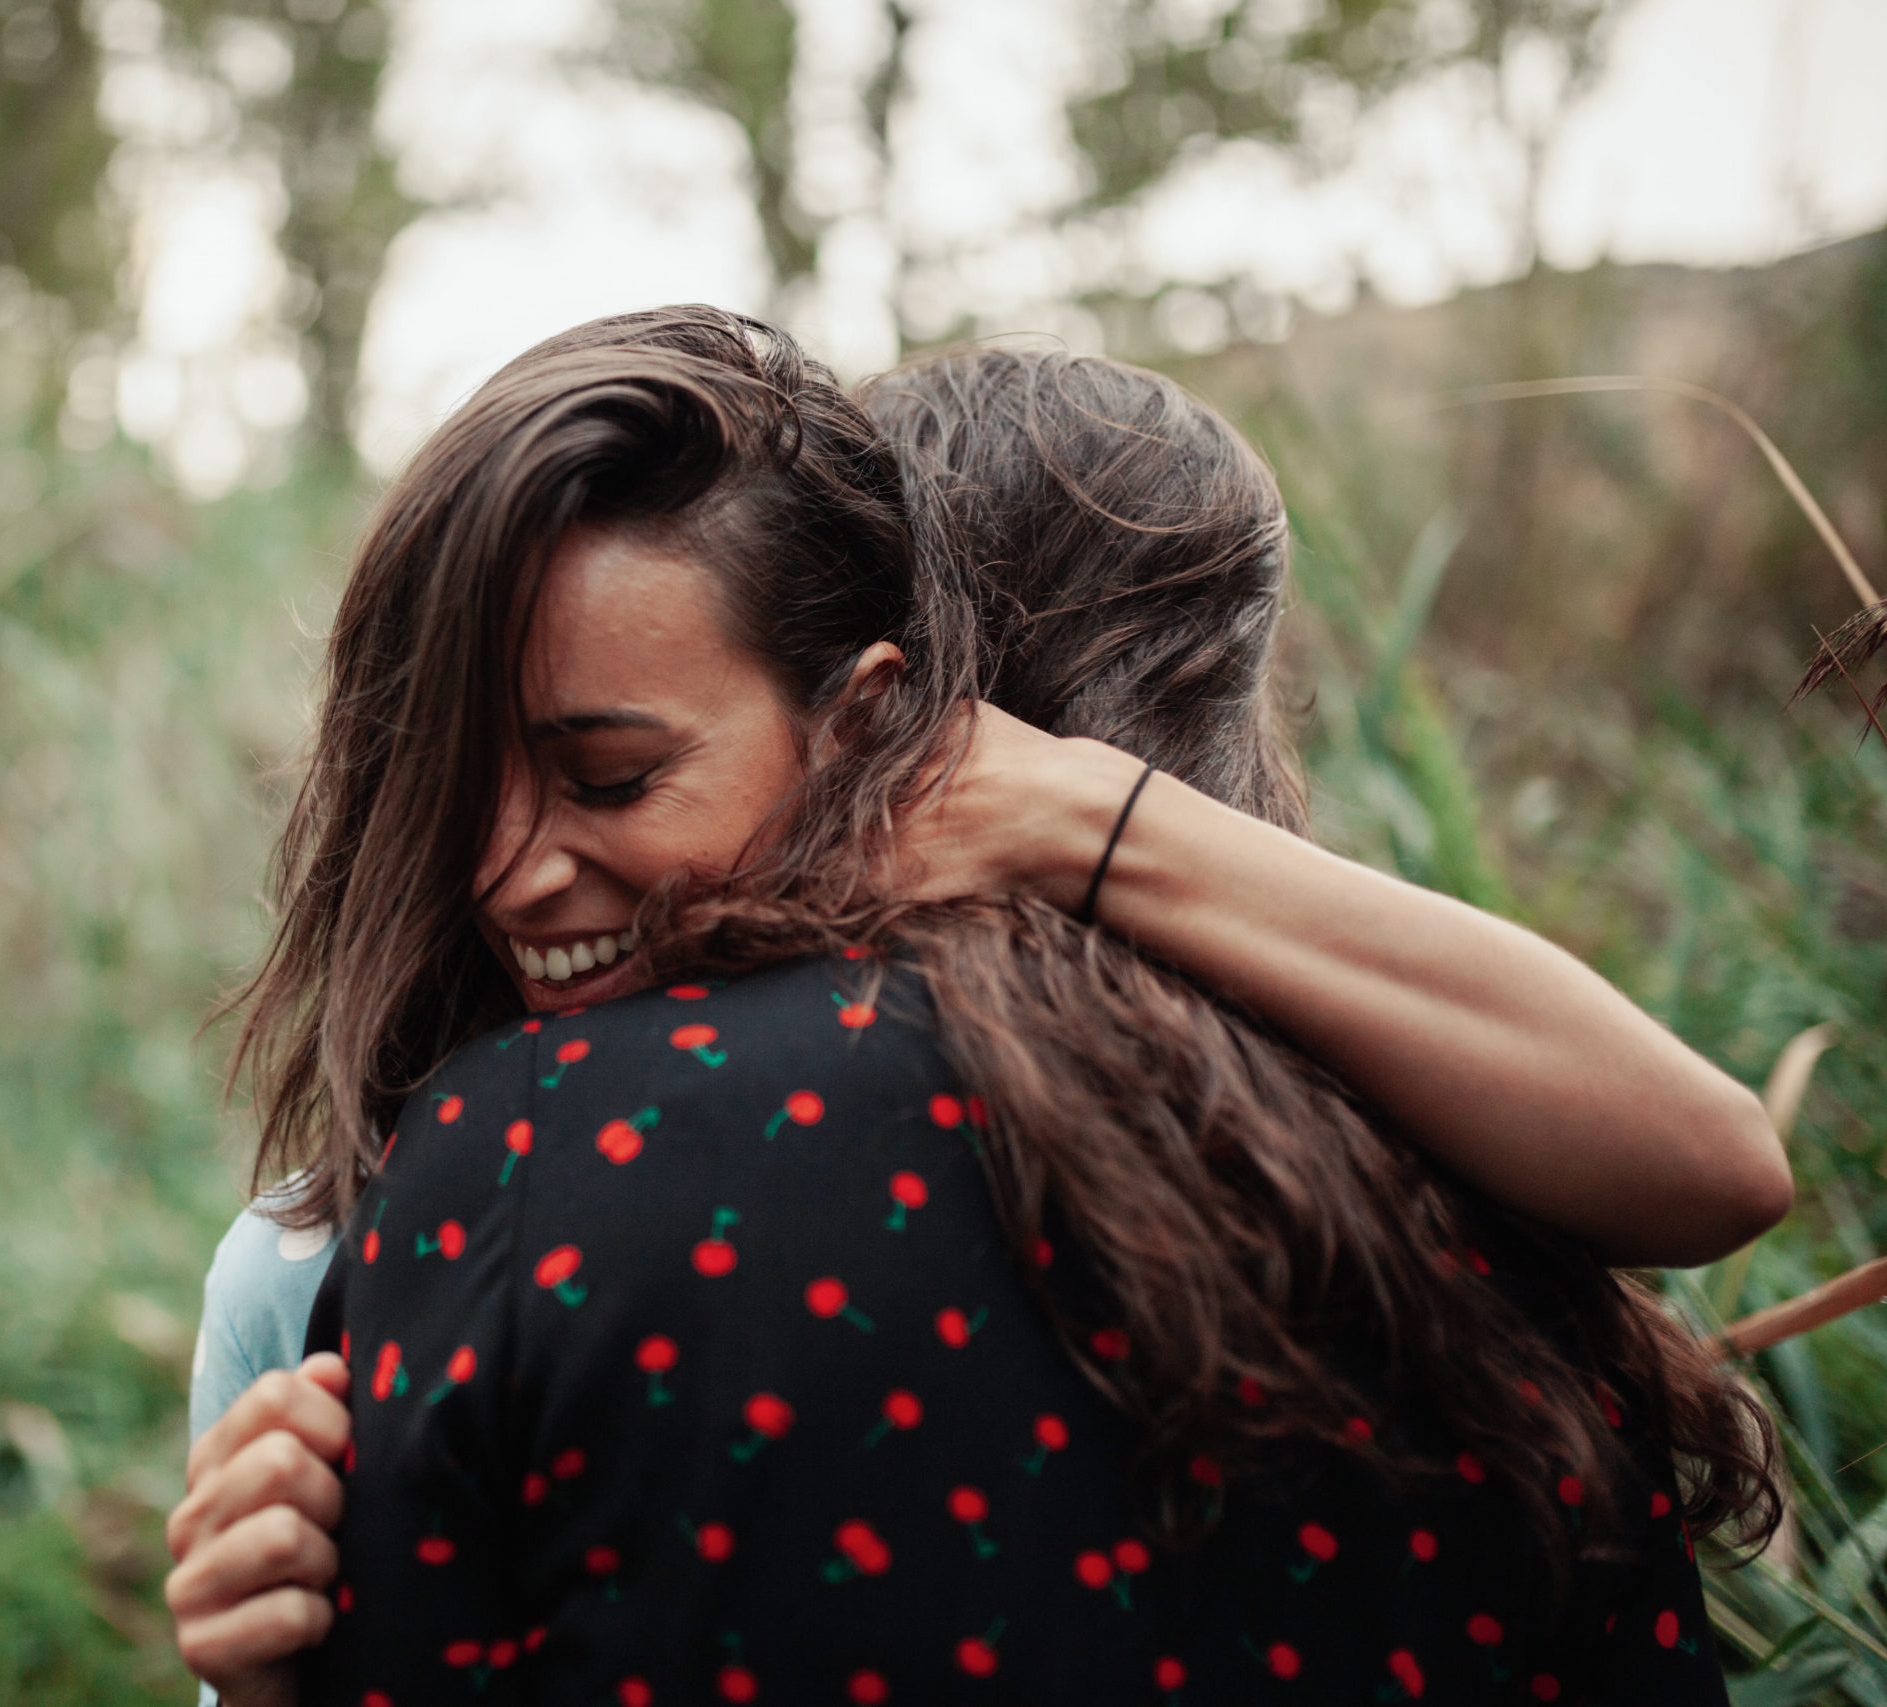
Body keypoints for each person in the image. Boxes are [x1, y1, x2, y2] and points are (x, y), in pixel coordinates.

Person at [164, 313, 1785, 1699]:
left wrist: (1068, 815)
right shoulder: (1456, 1162)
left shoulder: (477, 1196)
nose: (512, 870)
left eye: (614, 775)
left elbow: (1718, 1164)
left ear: (882, 722)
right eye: (456, 783)